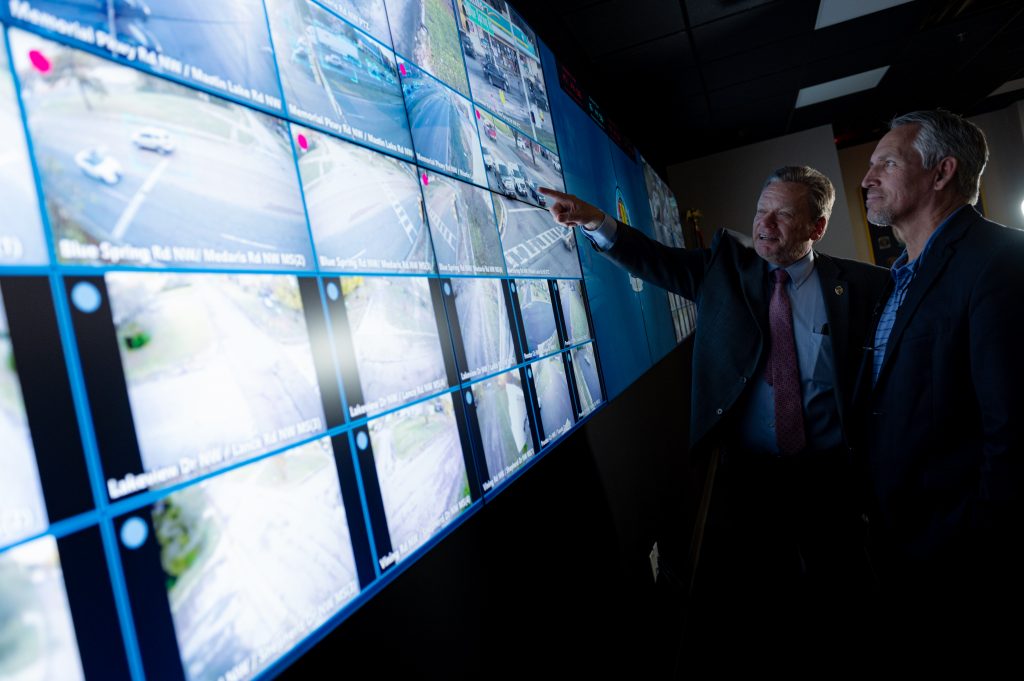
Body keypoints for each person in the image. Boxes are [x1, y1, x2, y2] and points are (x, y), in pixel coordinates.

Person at [540, 167, 889, 649]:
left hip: (829, 474)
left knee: (848, 593)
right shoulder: (724, 269)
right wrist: (597, 221)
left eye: (783, 214)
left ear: (817, 227)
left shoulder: (865, 287)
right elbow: (654, 260)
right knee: (767, 600)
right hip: (750, 475)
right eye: (761, 211)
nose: (765, 225)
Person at [858, 110, 1024, 642]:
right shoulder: (901, 277)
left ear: (941, 172)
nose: (867, 179)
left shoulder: (999, 260)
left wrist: (975, 540)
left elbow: (1013, 428)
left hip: (962, 555)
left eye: (886, 162)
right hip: (903, 541)